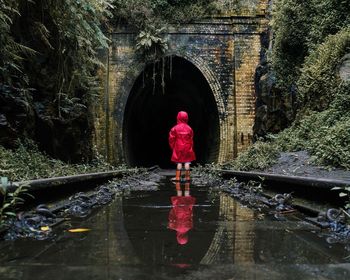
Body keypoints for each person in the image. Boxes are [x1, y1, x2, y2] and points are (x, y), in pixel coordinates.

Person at [168, 111, 196, 181]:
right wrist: (191, 147)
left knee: (179, 162)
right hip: (187, 147)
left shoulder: (175, 128)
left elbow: (171, 139)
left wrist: (173, 147)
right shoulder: (189, 128)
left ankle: (177, 177)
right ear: (187, 118)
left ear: (178, 118)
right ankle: (187, 177)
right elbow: (191, 139)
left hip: (178, 147)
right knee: (187, 162)